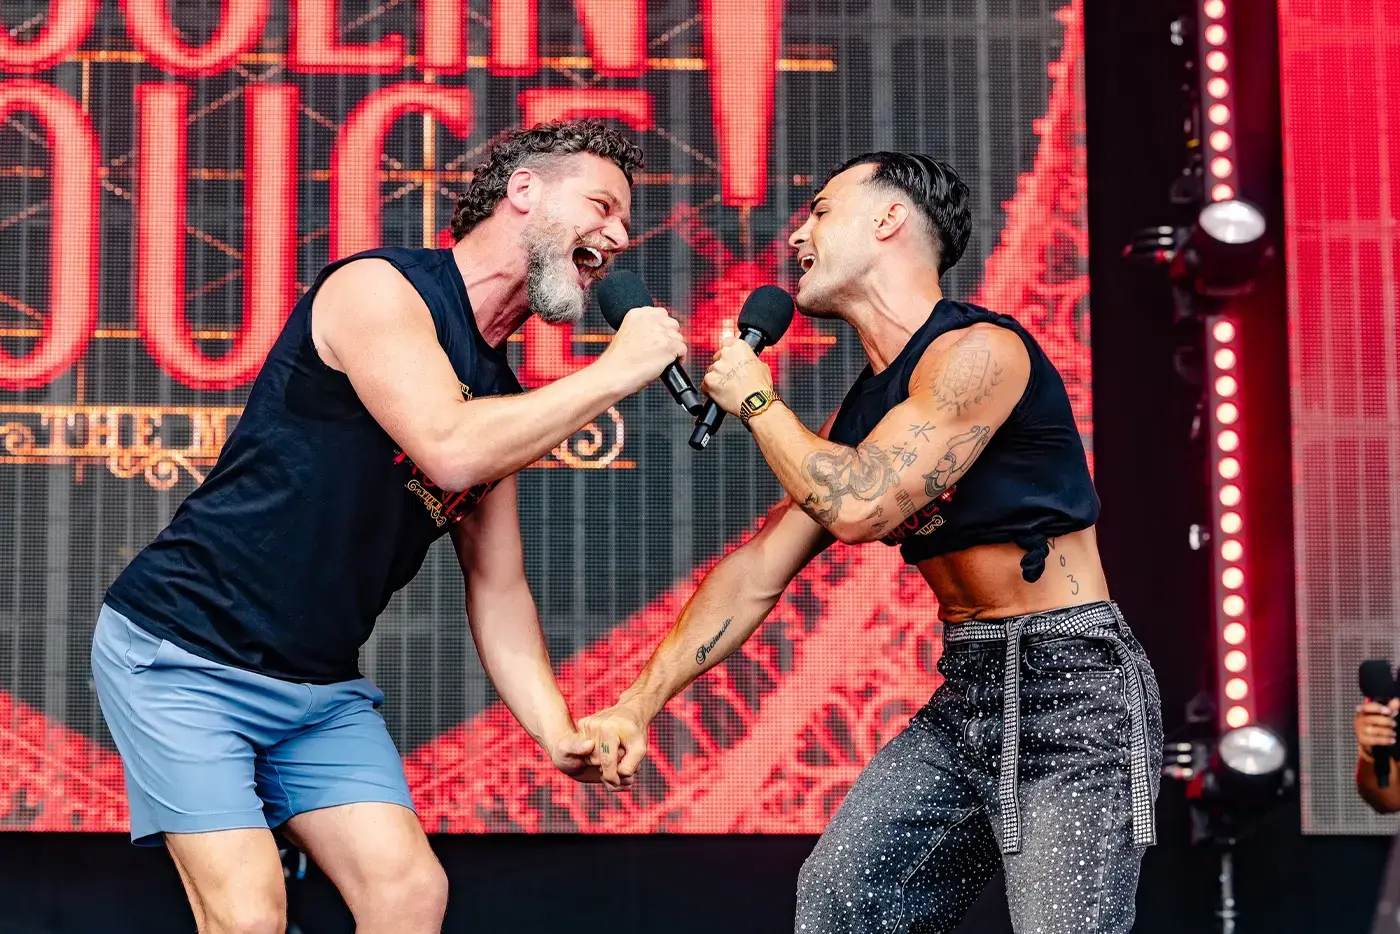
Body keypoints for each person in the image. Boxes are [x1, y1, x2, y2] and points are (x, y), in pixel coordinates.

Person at [90, 120, 685, 934]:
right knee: (248, 914)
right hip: (182, 655)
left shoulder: (502, 397)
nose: (620, 235)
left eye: (625, 219)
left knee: (408, 896)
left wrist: (558, 732)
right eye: (603, 205)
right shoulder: (380, 289)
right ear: (523, 193)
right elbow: (445, 448)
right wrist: (616, 372)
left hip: (317, 688)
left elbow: (499, 586)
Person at [578, 152, 1163, 933]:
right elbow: (757, 570)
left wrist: (756, 398)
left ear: (889, 220)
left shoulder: (981, 354)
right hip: (972, 689)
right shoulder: (867, 415)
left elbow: (861, 506)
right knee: (843, 906)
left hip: (1074, 690)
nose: (796, 235)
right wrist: (636, 706)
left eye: (819, 210)